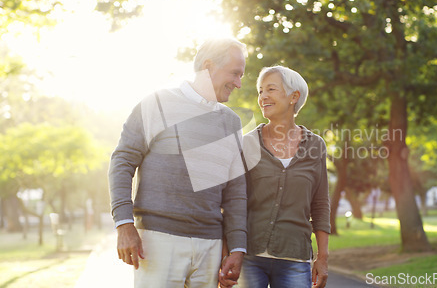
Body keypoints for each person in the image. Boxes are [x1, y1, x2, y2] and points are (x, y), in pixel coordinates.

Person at [108, 38, 249, 288]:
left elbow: (235, 191)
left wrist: (236, 247)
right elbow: (122, 161)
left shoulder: (231, 122)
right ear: (208, 66)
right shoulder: (156, 104)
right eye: (235, 74)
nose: (238, 83)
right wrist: (124, 224)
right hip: (157, 241)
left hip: (210, 245)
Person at [239, 66, 331, 288]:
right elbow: (234, 202)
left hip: (295, 258)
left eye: (271, 89)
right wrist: (227, 252)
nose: (263, 97)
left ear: (294, 97)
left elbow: (320, 205)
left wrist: (323, 257)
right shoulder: (247, 143)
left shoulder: (315, 145)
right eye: (260, 91)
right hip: (249, 258)